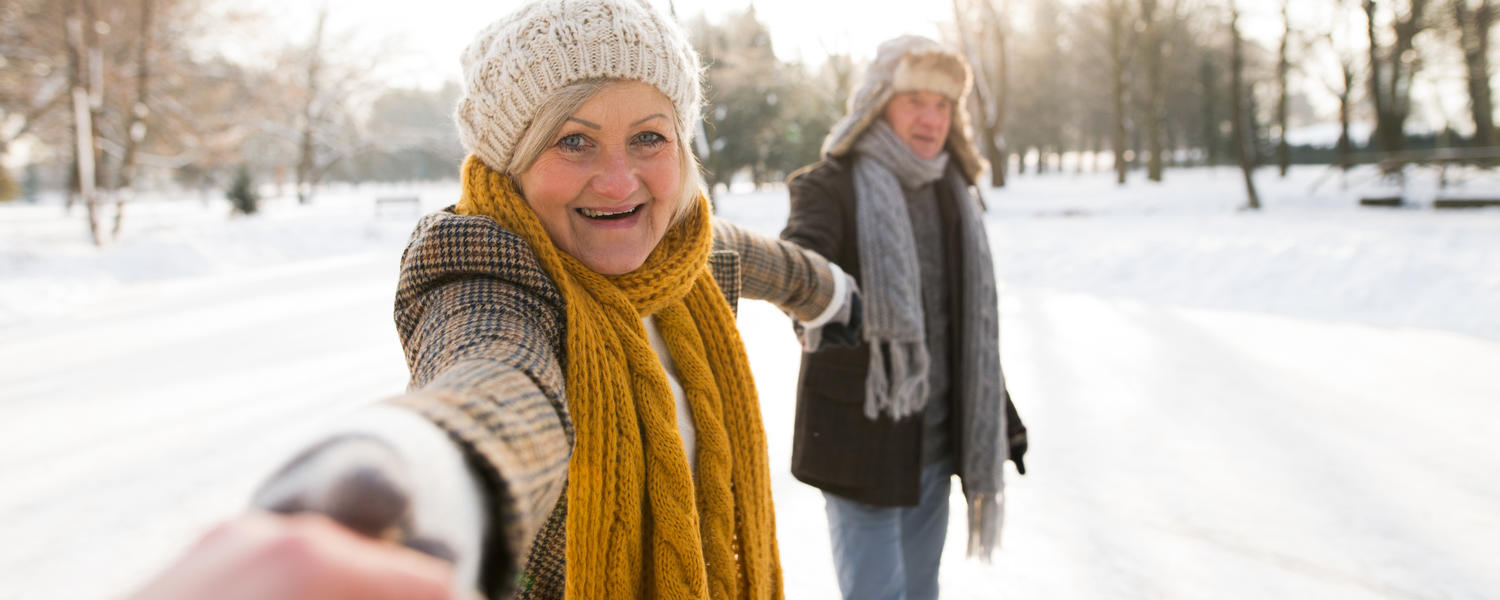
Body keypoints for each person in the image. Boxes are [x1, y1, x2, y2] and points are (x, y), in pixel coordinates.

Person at [127, 1, 858, 598]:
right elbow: (495, 377)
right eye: (574, 141)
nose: (617, 180)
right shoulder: (484, 263)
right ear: (511, 160)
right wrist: (407, 481)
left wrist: (834, 298)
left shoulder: (691, 251)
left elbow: (779, 266)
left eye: (647, 138)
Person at [779, 36, 1029, 600]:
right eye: (915, 99)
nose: (930, 117)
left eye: (942, 104)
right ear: (878, 102)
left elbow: (970, 328)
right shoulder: (829, 187)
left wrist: (1002, 417)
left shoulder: (953, 192)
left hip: (936, 444)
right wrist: (818, 298)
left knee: (922, 591)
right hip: (860, 441)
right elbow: (800, 270)